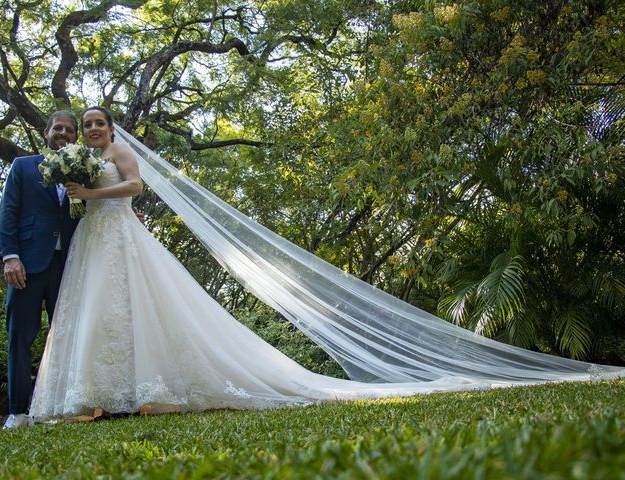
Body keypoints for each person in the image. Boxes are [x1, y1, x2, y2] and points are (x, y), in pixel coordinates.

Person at [30, 106, 489, 422]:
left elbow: (135, 189)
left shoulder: (119, 154)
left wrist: (91, 193)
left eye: (96, 124)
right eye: (85, 124)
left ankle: (143, 391)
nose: (90, 129)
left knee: (137, 305)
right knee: (100, 310)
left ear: (111, 129)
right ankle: (99, 395)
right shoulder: (84, 160)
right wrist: (82, 195)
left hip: (120, 235)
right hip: (93, 239)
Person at [0, 111, 80, 428]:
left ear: (75, 137)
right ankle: (18, 412)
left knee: (65, 338)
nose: (63, 133)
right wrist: (10, 257)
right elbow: (9, 213)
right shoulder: (24, 166)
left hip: (69, 267)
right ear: (46, 133)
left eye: (69, 130)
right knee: (20, 337)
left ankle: (56, 408)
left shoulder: (83, 171)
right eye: (57, 128)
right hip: (28, 265)